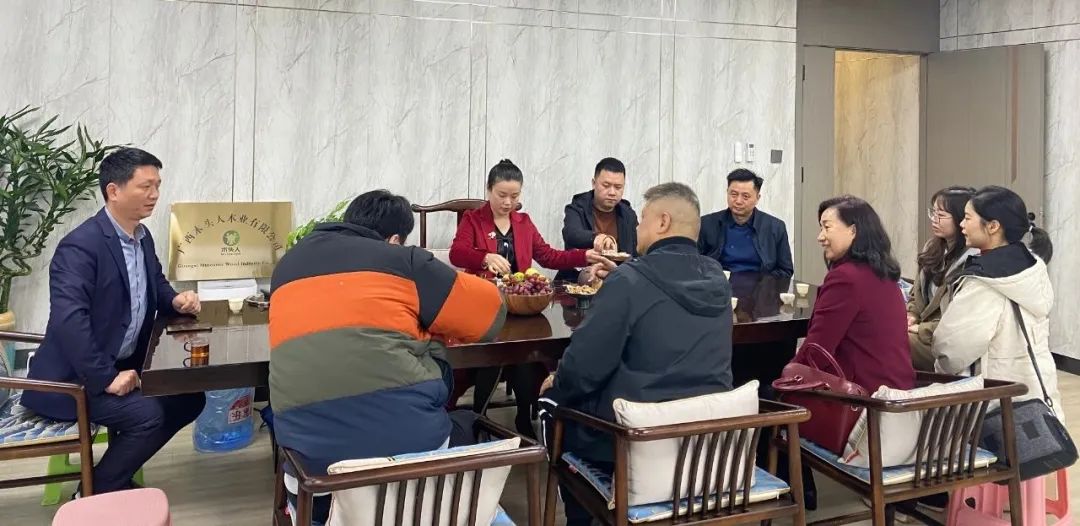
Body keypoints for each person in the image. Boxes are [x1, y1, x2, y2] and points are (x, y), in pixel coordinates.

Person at [270, 190, 506, 524]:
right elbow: (491, 314)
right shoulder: (403, 261)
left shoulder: (287, 266)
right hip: (405, 488)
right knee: (467, 422)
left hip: (312, 488)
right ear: (395, 239)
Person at [540, 182, 733, 526]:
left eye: (642, 220)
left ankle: (583, 517)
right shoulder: (717, 278)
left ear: (662, 222)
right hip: (703, 443)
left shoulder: (630, 282)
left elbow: (582, 370)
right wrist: (624, 279)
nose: (637, 228)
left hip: (634, 442)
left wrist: (557, 380)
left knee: (552, 401)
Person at [20, 148, 205, 496]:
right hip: (74, 379)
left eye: (157, 185)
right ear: (114, 191)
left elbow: (156, 284)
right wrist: (106, 378)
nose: (154, 194)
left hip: (124, 366)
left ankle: (113, 476)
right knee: (147, 415)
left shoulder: (141, 237)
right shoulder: (80, 246)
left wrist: (175, 300)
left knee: (190, 398)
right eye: (145, 186)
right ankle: (95, 492)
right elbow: (70, 321)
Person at [449, 159, 613, 436]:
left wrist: (583, 255)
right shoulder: (473, 220)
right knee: (496, 351)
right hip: (485, 305)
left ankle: (524, 417)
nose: (508, 202)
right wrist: (484, 257)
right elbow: (457, 253)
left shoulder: (523, 223)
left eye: (514, 196)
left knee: (527, 352)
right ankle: (480, 417)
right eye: (502, 195)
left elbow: (549, 256)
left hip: (521, 305)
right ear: (489, 190)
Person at [933, 186, 1062, 412]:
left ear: (993, 226)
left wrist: (939, 366)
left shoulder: (983, 282)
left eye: (967, 218)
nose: (962, 224)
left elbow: (952, 349)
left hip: (992, 400)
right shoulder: (1032, 267)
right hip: (1034, 396)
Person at [806, 195, 915, 393]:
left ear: (853, 230)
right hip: (897, 393)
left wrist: (784, 379)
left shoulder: (845, 278)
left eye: (827, 227)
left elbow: (816, 352)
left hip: (861, 398)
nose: (820, 237)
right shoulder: (883, 272)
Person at [907, 186, 978, 371]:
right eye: (933, 212)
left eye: (941, 215)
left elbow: (959, 320)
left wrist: (922, 329)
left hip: (944, 339)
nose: (934, 219)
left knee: (891, 343)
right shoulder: (932, 248)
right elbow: (916, 295)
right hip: (922, 330)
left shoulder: (972, 259)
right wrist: (911, 315)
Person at [554, 157, 638, 281]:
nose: (612, 192)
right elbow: (571, 234)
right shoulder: (577, 207)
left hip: (615, 280)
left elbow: (636, 252)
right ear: (594, 183)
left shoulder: (628, 214)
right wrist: (596, 238)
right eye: (606, 185)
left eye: (618, 187)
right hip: (577, 279)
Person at [699, 169, 794, 277]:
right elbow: (694, 264)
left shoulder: (775, 227)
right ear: (727, 193)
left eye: (745, 196)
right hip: (719, 285)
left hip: (761, 286)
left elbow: (785, 271)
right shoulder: (706, 224)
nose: (738, 201)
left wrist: (761, 282)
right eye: (734, 194)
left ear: (757, 198)